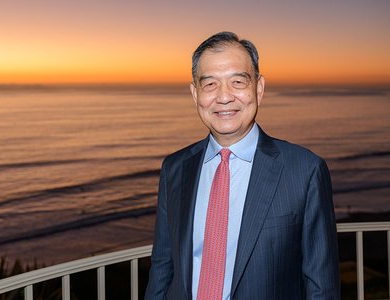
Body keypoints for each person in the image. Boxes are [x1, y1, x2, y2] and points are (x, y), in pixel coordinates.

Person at [144, 31, 340, 299]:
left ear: (258, 88)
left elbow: (321, 286)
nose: (224, 97)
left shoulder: (304, 170)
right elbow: (162, 267)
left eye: (238, 81)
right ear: (195, 93)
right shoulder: (175, 169)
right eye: (210, 84)